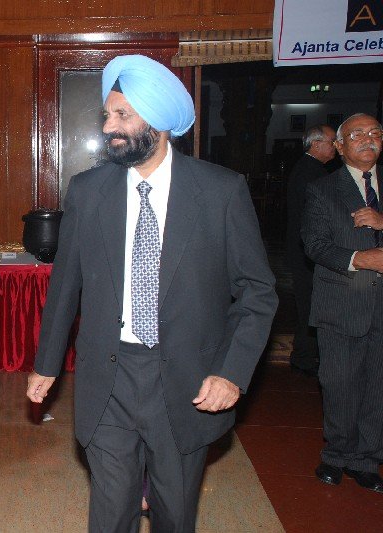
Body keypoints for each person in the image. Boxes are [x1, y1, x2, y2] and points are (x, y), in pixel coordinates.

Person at [26, 55, 278, 532]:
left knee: (174, 513)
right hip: (109, 374)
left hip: (185, 382)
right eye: (107, 115)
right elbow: (65, 285)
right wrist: (47, 362)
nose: (109, 127)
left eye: (123, 115)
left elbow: (257, 293)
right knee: (109, 513)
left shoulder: (220, 192)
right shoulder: (88, 191)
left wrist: (231, 371)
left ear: (159, 121)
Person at [302, 112, 383, 494]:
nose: (368, 139)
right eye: (357, 134)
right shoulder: (323, 189)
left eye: (375, 132)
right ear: (339, 146)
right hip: (342, 302)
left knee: (377, 385)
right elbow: (314, 244)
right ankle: (336, 455)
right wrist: (359, 259)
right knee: (339, 383)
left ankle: (367, 460)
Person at [286, 124, 336, 377]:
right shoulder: (312, 173)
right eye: (332, 141)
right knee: (310, 304)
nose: (335, 146)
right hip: (307, 251)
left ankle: (305, 354)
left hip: (302, 248)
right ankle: (304, 356)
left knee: (310, 303)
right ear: (316, 144)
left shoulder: (310, 169)